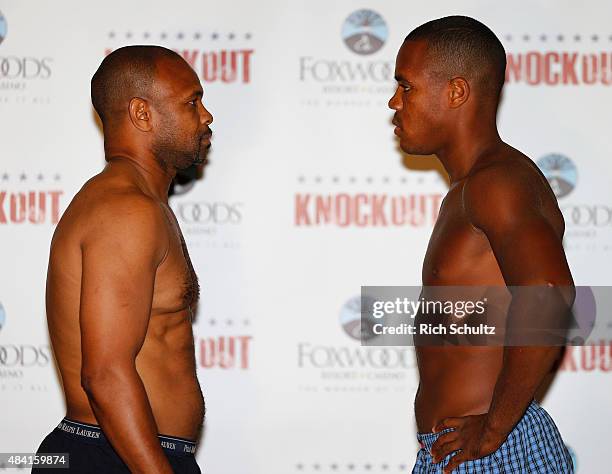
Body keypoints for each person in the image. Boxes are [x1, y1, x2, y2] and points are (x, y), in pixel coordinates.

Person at [388, 16, 575, 473]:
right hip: (464, 450)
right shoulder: (471, 188)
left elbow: (549, 295)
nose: (394, 102)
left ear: (455, 92)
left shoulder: (497, 182)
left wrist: (494, 429)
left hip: (492, 451)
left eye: (406, 87)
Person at [33, 45, 213, 473]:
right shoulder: (125, 210)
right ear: (142, 113)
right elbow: (106, 374)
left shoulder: (139, 204)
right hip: (118, 457)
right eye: (191, 102)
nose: (205, 116)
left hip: (125, 453)